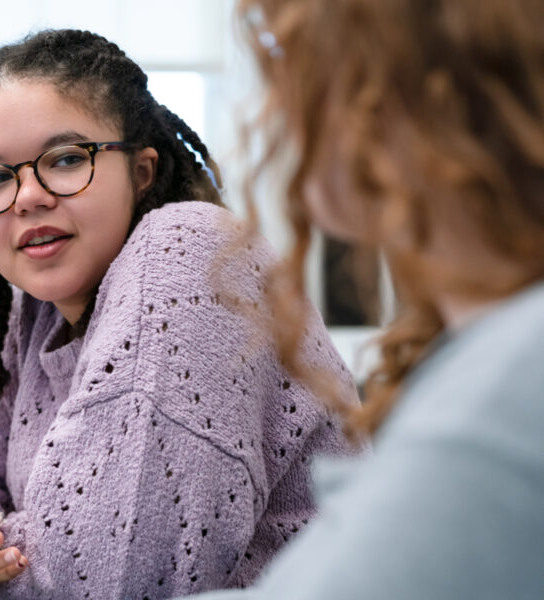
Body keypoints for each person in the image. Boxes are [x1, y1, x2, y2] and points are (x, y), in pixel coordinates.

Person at [0, 29, 358, 600]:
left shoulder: (186, 250)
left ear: (143, 171)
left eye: (66, 159)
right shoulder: (27, 310)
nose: (27, 197)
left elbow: (111, 571)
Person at [187, 1, 544, 599]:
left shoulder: (510, 387)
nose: (273, 107)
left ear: (387, 93)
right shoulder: (487, 354)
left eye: (289, 62)